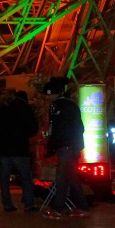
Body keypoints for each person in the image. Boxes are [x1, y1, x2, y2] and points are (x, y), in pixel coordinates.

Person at [41, 77, 89, 219]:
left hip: (65, 146)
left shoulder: (57, 106)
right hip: (72, 146)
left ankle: (57, 209)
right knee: (72, 178)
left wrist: (51, 146)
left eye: (49, 94)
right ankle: (83, 207)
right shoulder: (70, 105)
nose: (47, 97)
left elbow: (57, 129)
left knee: (61, 178)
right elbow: (78, 127)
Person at [0, 90, 39, 212]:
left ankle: (7, 204)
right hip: (19, 148)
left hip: (3, 148)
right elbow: (33, 128)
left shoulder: (1, 110)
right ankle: (29, 204)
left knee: (4, 179)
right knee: (25, 178)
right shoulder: (25, 110)